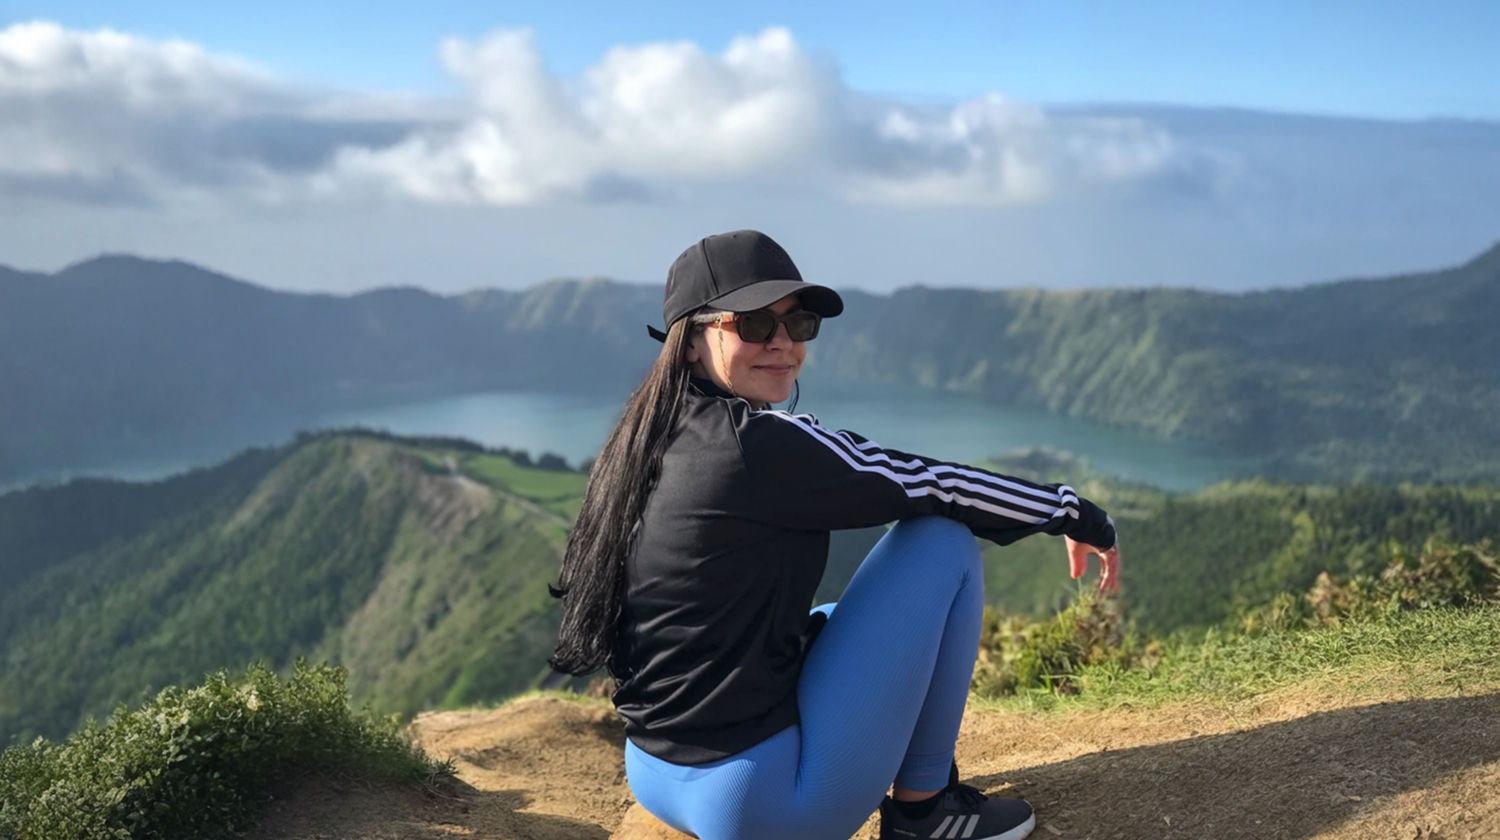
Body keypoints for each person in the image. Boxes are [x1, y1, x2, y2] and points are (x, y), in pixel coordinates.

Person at [550, 230, 1120, 840]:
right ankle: (925, 815)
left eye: (797, 325)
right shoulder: (755, 445)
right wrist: (1075, 513)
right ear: (692, 341)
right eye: (752, 324)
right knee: (941, 543)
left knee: (826, 612)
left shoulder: (643, 438)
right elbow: (933, 484)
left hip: (656, 771)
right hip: (762, 803)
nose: (781, 344)